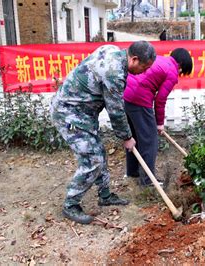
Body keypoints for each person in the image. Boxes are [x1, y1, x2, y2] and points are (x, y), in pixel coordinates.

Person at [50, 41, 156, 224]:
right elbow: (115, 110)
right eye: (144, 67)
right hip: (69, 115)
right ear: (134, 59)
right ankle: (70, 204)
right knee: (93, 159)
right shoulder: (114, 72)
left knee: (99, 151)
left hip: (83, 113)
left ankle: (105, 195)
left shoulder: (114, 51)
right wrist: (127, 137)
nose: (144, 72)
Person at [123, 48, 193, 186]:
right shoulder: (172, 72)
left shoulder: (160, 59)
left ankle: (132, 172)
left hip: (126, 96)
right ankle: (148, 181)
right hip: (140, 99)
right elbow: (160, 99)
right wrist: (159, 123)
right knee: (150, 141)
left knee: (134, 137)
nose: (180, 74)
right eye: (182, 71)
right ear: (181, 65)